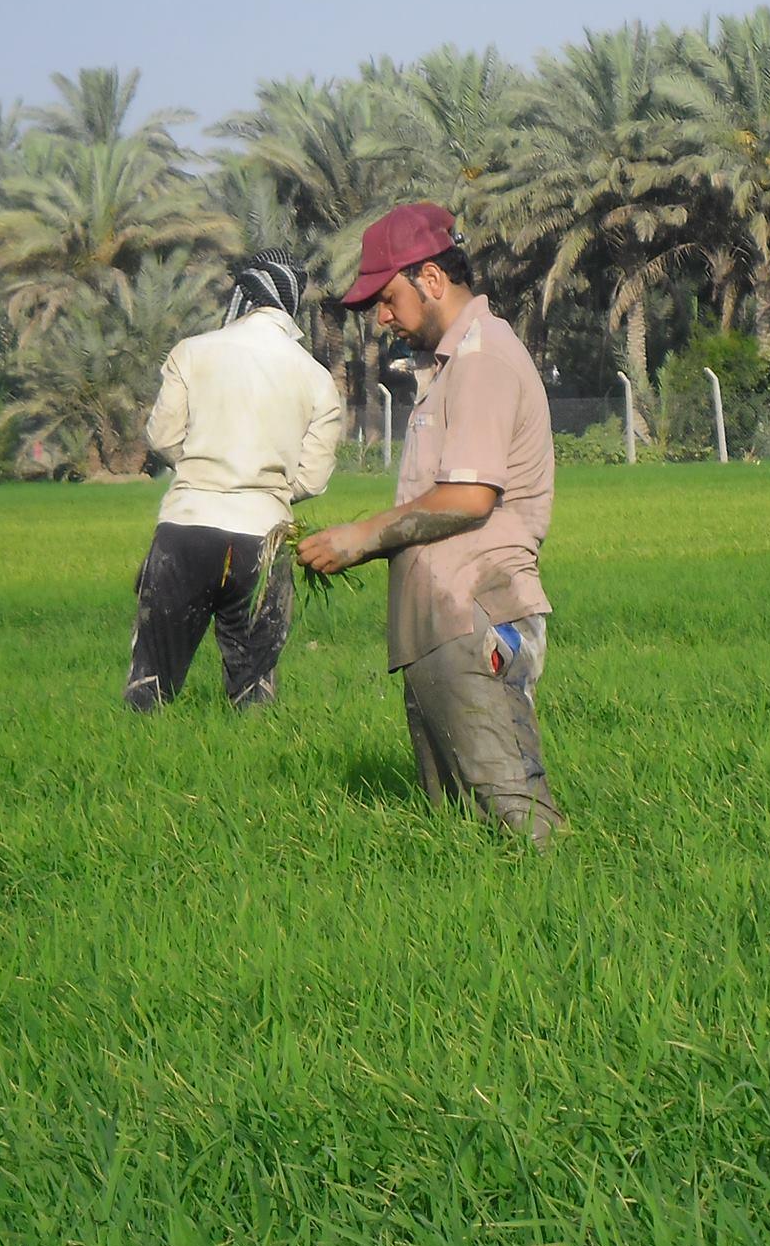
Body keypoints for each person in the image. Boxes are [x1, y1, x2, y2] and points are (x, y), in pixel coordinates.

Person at [296, 204, 563, 843]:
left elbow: (469, 498)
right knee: (464, 831)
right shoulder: (449, 364)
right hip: (442, 620)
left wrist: (361, 536)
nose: (382, 318)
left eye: (388, 299)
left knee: (518, 820)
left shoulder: (480, 359)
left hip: (473, 617)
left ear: (433, 280)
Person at [124, 249, 343, 712]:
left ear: (243, 294)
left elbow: (162, 436)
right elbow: (314, 478)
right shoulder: (317, 378)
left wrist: (205, 471)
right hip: (263, 538)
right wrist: (268, 490)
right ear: (290, 302)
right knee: (254, 686)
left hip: (185, 529)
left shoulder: (193, 351)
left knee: (151, 682)